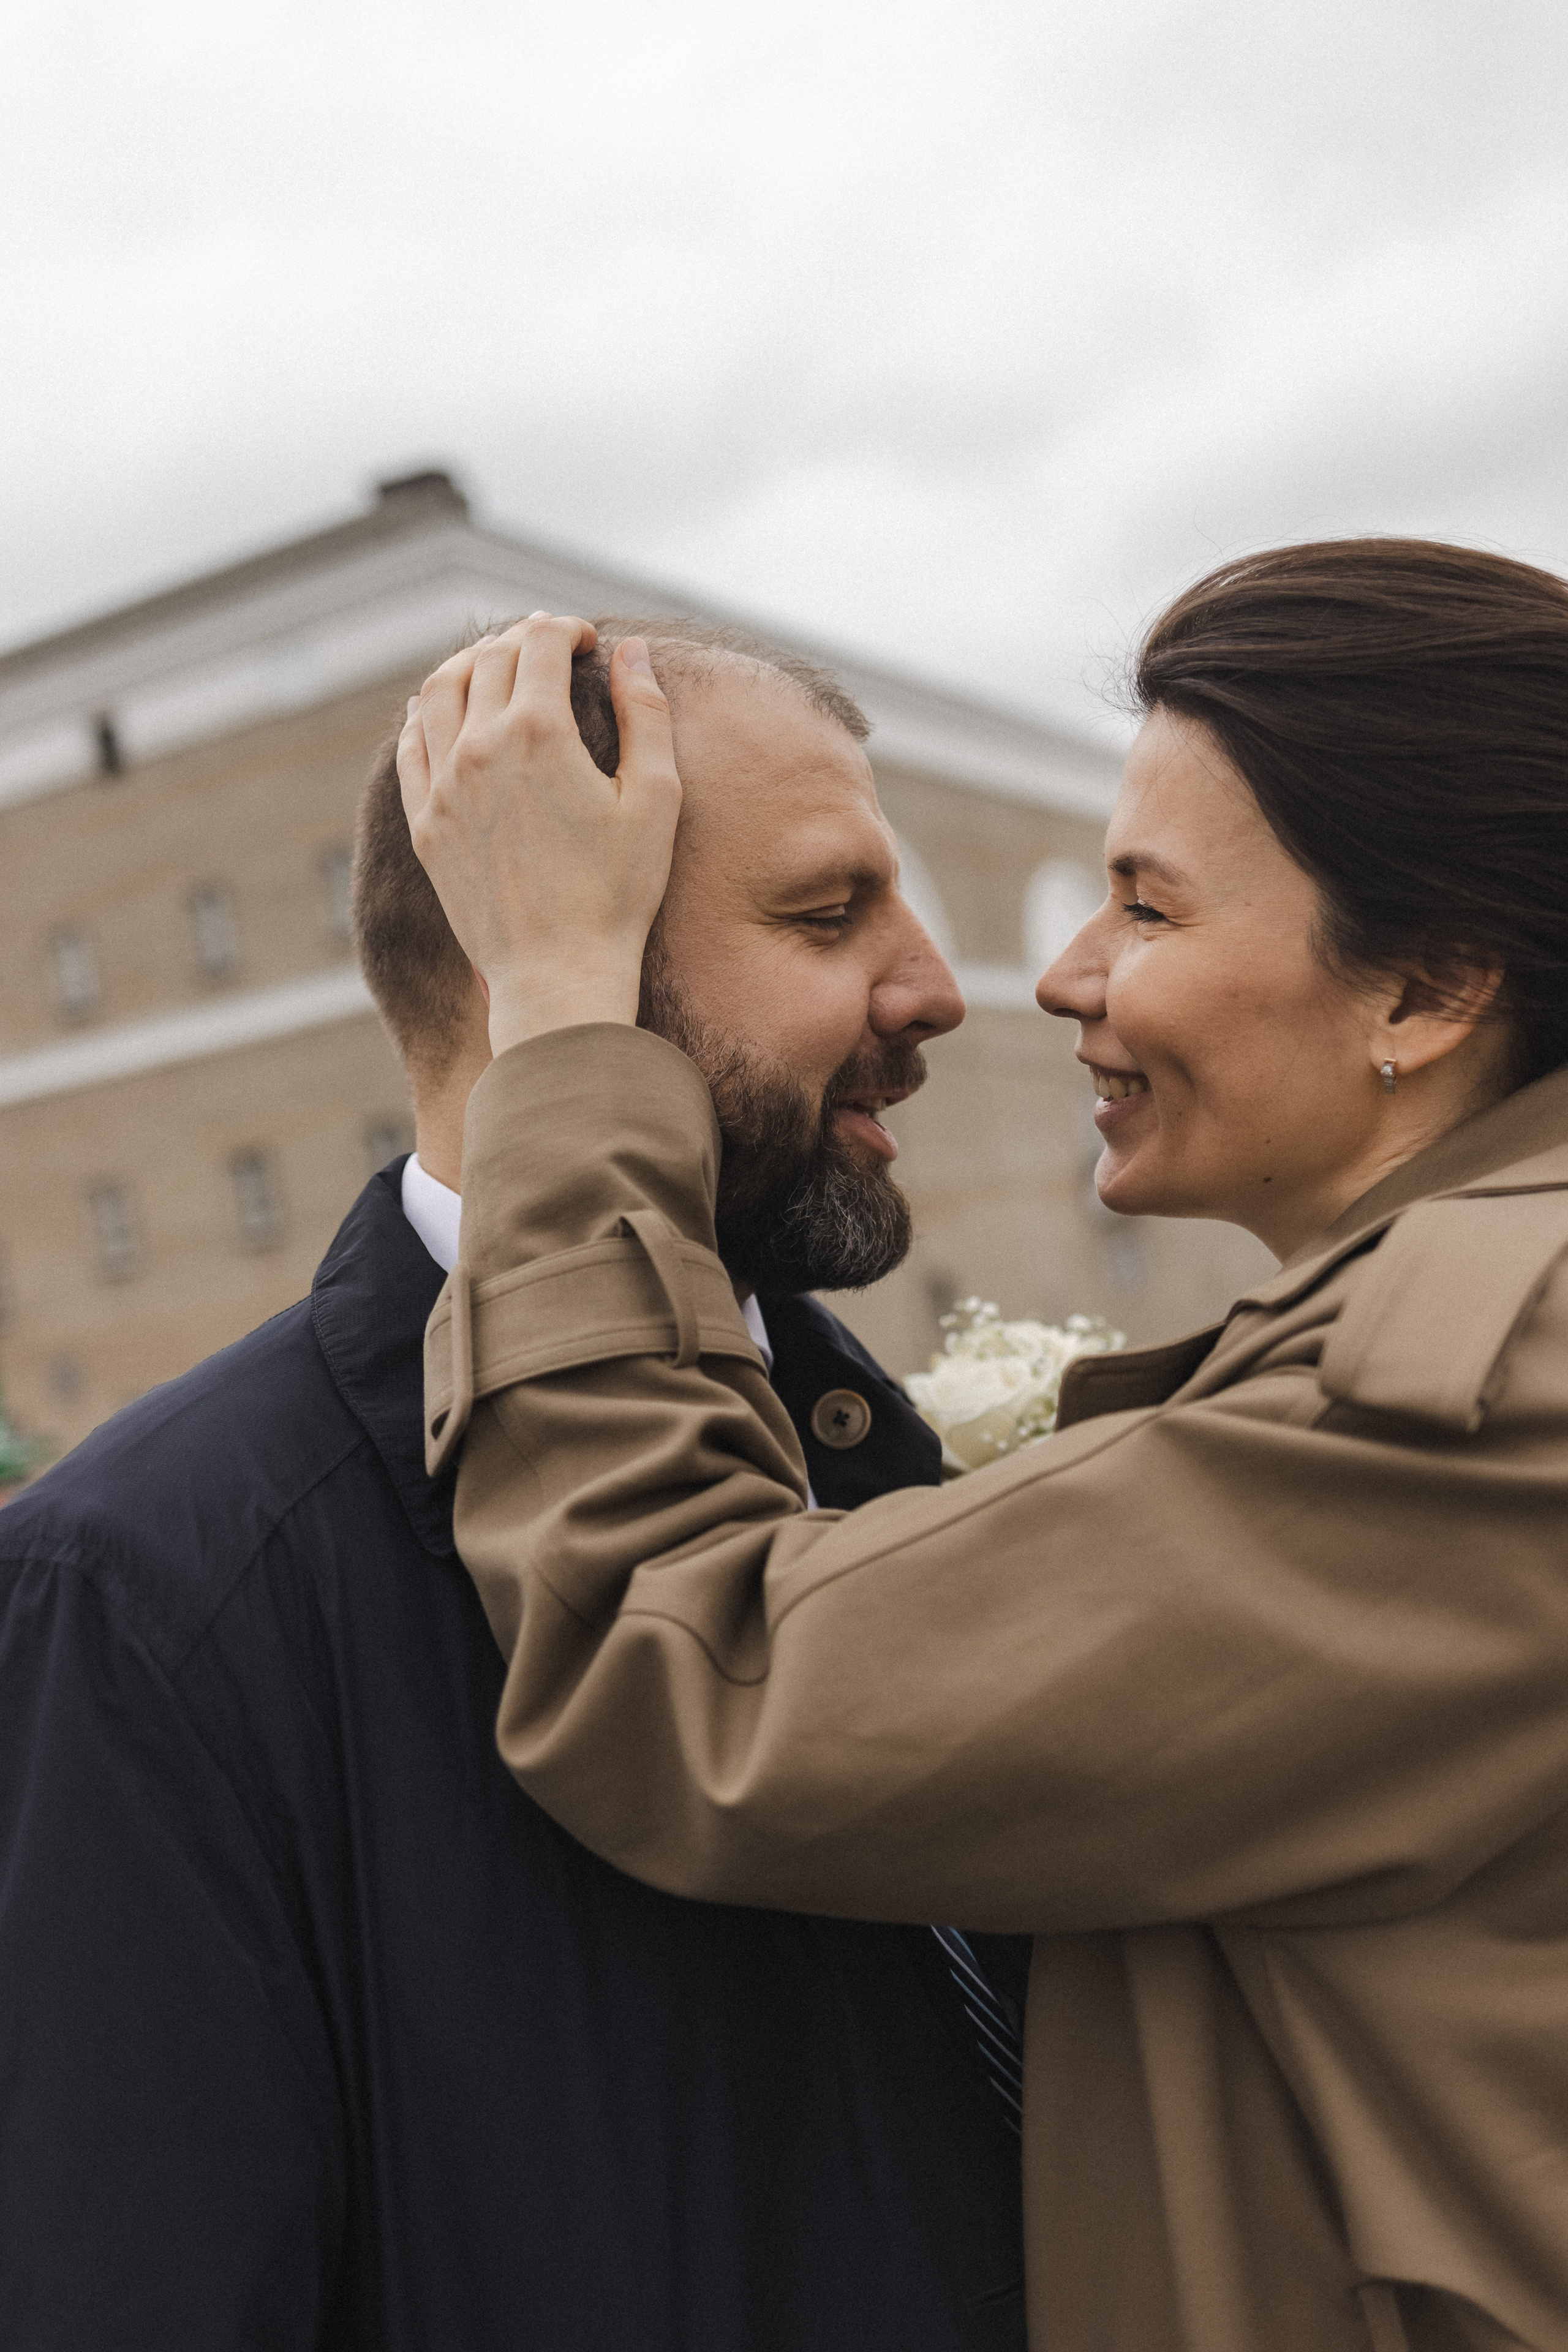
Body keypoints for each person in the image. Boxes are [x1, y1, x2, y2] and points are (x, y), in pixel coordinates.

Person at [401, 541, 1568, 2352]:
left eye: (1152, 911)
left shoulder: (1491, 1394)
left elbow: (701, 1672)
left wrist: (561, 1020)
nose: (1058, 978)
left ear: (1422, 989)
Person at [0, 621, 1031, 2352]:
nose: (933, 988)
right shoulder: (140, 1591)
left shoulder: (887, 1456)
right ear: (542, 955)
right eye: (827, 915)